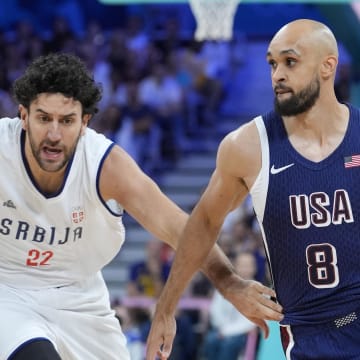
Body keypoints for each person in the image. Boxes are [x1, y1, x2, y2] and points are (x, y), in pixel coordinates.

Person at [0, 52, 282, 360]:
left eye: (66, 121)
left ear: (84, 122)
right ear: (23, 116)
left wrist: (229, 283)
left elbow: (181, 228)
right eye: (43, 118)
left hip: (80, 295)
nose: (54, 135)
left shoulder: (106, 166)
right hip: (8, 288)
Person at [146, 18, 360, 360]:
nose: (277, 74)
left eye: (290, 62)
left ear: (327, 66)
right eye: (272, 64)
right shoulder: (247, 147)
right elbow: (202, 224)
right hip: (310, 337)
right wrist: (176, 303)